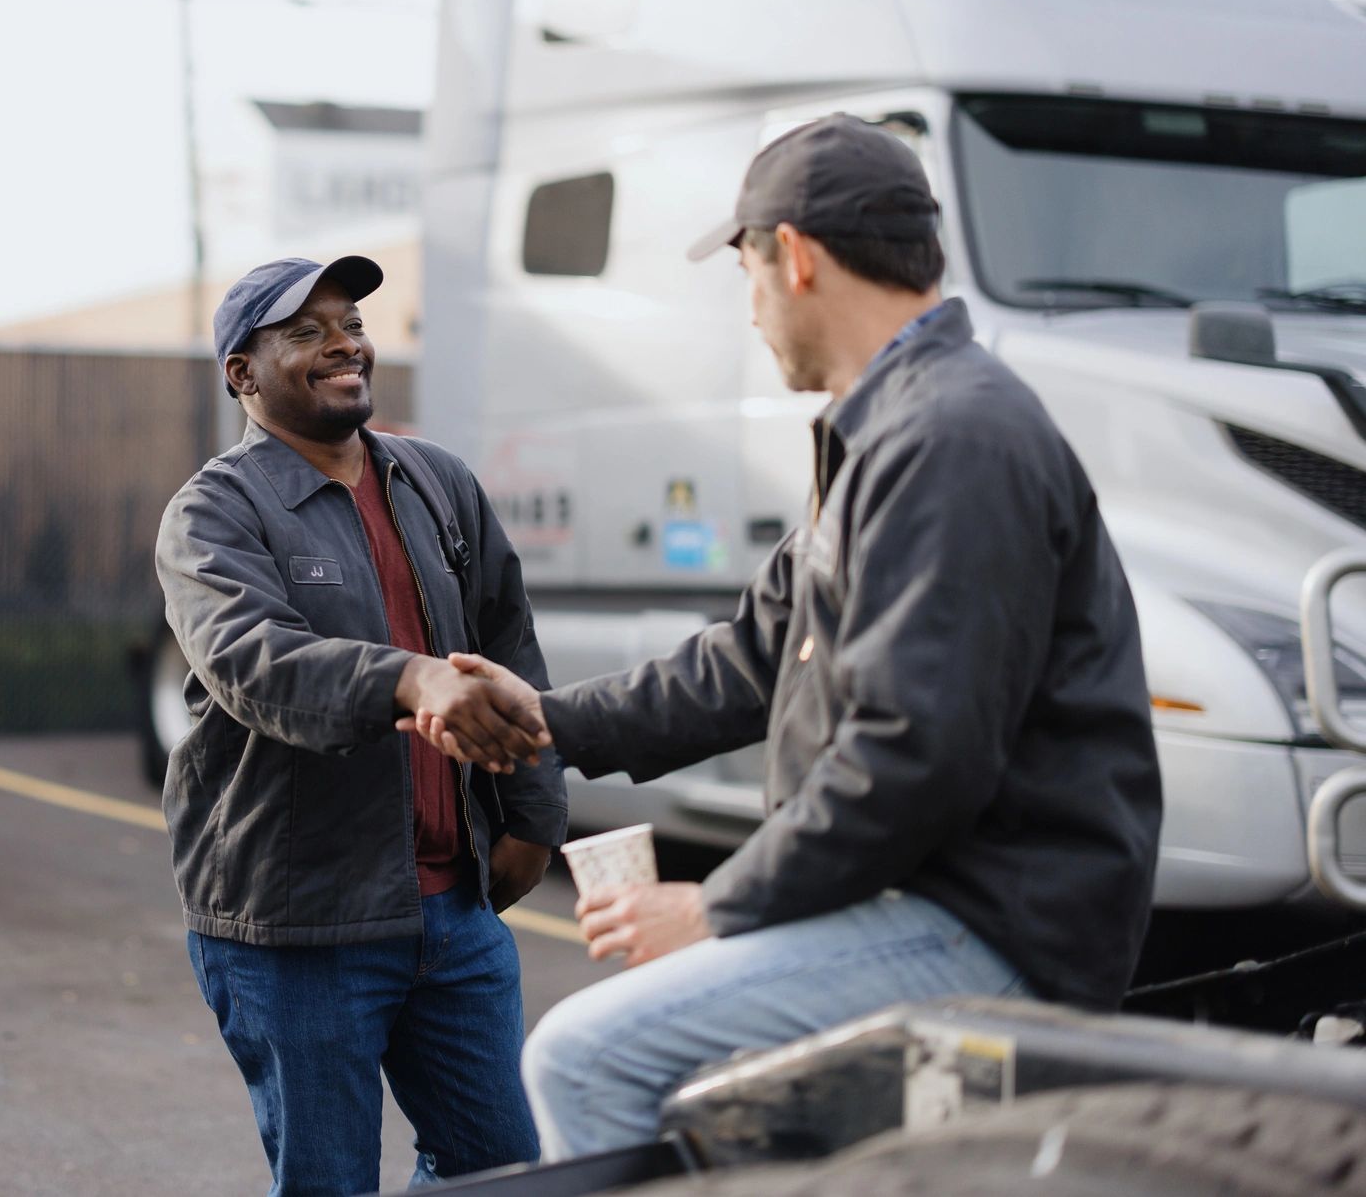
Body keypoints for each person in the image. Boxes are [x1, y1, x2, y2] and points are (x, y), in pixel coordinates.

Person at [406, 116, 1163, 1159]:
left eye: (746, 273)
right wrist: (545, 721)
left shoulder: (948, 438)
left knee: (583, 1055)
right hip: (937, 898)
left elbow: (913, 753)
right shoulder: (891, 423)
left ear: (795, 256)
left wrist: (719, 906)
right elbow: (753, 656)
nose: (752, 311)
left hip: (993, 925)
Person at [154, 254, 570, 1194]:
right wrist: (412, 679)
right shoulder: (214, 513)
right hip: (299, 922)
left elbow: (512, 648)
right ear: (242, 374)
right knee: (329, 1183)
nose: (345, 343)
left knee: (496, 1169)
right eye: (306, 331)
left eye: (350, 323)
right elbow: (254, 663)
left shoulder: (436, 483)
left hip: (452, 914)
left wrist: (535, 814)